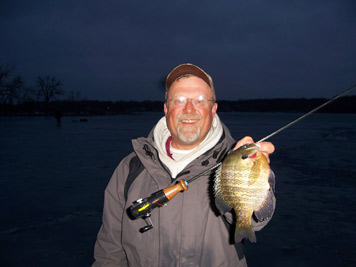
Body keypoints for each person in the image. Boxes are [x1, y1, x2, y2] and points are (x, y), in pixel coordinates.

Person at [93, 63, 276, 267]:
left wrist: (257, 178)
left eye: (199, 100)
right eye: (179, 100)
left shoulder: (232, 161)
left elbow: (254, 221)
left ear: (213, 109)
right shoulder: (129, 169)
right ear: (166, 108)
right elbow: (109, 251)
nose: (189, 109)